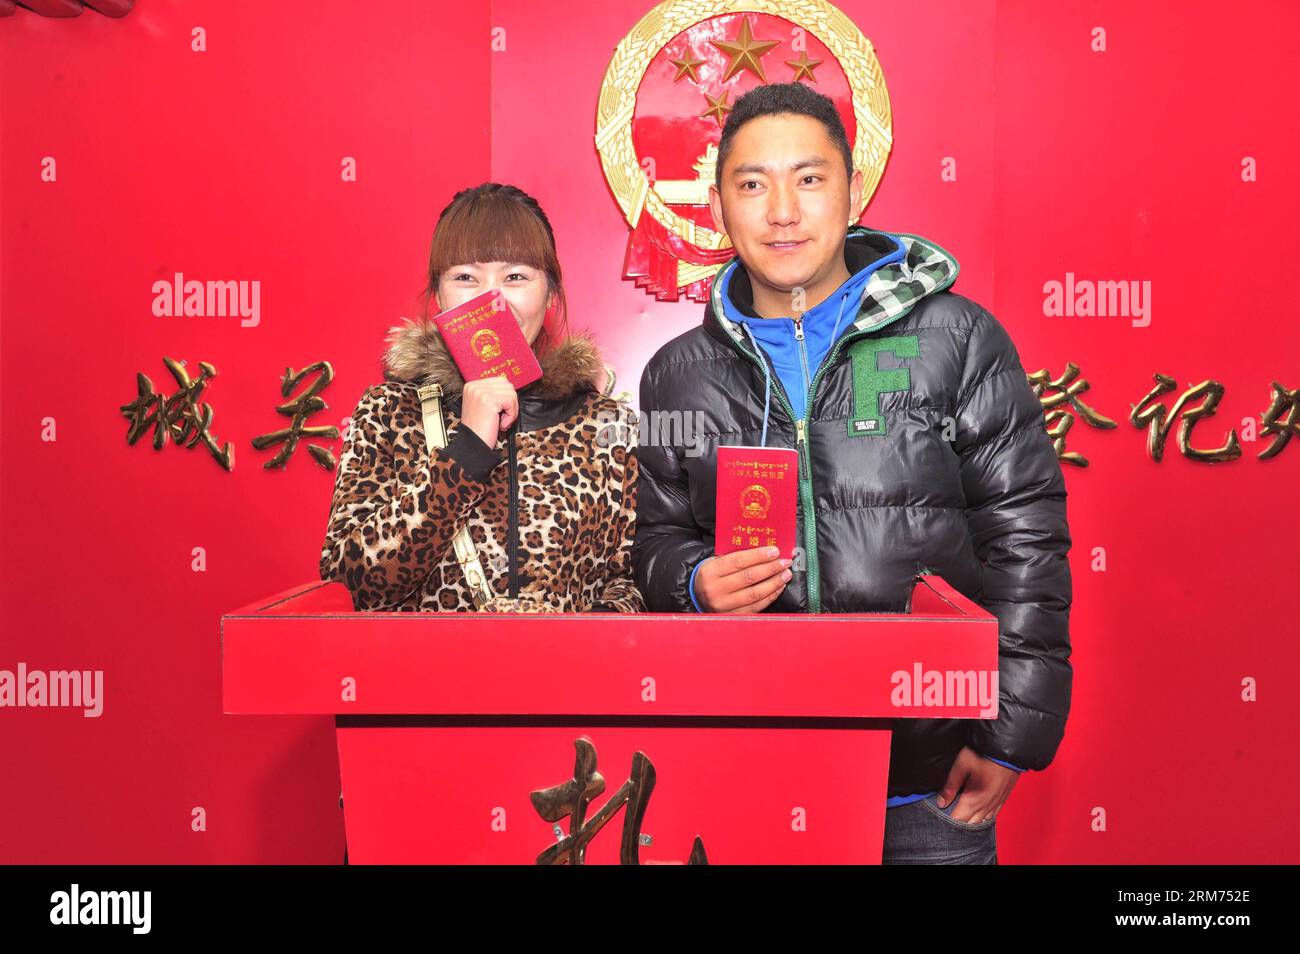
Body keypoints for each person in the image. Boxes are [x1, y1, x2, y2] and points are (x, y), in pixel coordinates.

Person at [633, 83, 1072, 864]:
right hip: (744, 771)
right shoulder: (678, 375)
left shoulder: (955, 338)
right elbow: (655, 540)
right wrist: (695, 581)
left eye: (809, 178)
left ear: (853, 187)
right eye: (752, 183)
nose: (782, 211)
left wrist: (1011, 735)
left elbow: (1025, 535)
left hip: (928, 782)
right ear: (717, 205)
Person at [320, 182, 645, 616]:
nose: (492, 300)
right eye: (465, 278)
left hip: (563, 678)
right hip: (419, 679)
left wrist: (577, 638)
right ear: (437, 296)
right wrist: (465, 453)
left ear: (549, 293)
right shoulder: (388, 411)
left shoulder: (604, 423)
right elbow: (350, 582)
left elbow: (626, 584)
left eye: (516, 277)